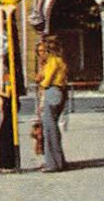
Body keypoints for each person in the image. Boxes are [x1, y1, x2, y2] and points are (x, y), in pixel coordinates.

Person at [36, 36, 69, 173]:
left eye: (43, 51)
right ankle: (58, 160)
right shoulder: (59, 61)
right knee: (52, 128)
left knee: (49, 130)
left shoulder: (53, 62)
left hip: (52, 91)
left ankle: (53, 164)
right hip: (59, 92)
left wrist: (40, 83)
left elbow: (46, 81)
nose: (40, 54)